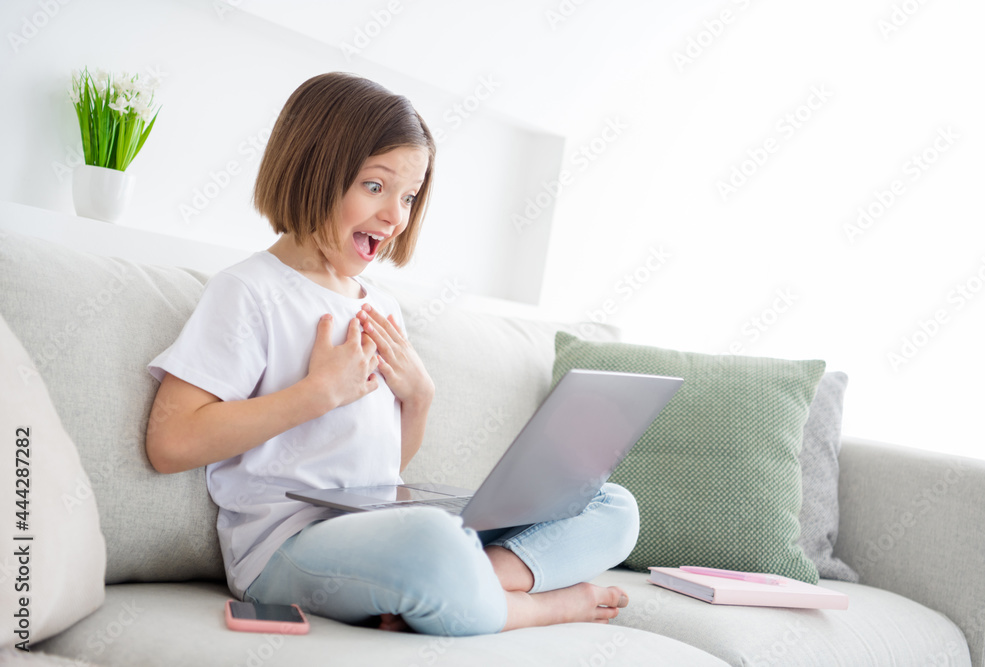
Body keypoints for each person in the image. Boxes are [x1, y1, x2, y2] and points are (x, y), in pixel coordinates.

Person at [145, 71, 640, 636]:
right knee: (431, 538)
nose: (396, 217)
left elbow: (381, 471)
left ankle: (472, 580)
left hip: (379, 525)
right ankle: (534, 604)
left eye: (408, 197)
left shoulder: (381, 307)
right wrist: (314, 395)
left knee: (610, 505)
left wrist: (419, 399)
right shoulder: (249, 292)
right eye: (375, 187)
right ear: (311, 172)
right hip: (285, 548)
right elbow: (170, 442)